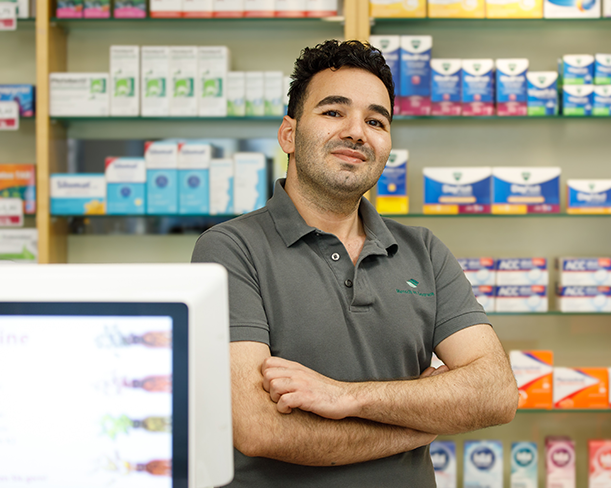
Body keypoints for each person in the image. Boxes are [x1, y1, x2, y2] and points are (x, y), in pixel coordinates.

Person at [191, 39, 518, 487]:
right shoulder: (230, 249)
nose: (356, 132)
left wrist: (342, 397)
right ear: (289, 133)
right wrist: (418, 425)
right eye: (332, 112)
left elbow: (496, 394)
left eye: (375, 121)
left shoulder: (423, 249)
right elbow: (259, 428)